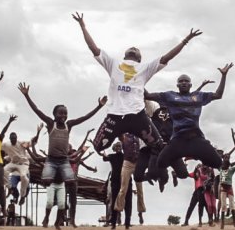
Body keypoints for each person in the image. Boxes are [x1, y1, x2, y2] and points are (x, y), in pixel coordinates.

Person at [72, 12, 201, 154]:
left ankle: (165, 162)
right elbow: (93, 48)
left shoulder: (145, 68)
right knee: (98, 147)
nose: (134, 48)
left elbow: (166, 57)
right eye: (132, 48)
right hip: (115, 116)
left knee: (159, 146)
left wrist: (185, 40)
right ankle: (122, 139)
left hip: (137, 116)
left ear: (139, 59)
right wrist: (83, 26)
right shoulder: (113, 64)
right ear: (124, 55)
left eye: (137, 49)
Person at [18, 82, 106, 228]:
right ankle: (50, 216)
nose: (63, 116)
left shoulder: (69, 125)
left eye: (65, 113)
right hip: (52, 160)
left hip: (64, 160)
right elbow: (36, 110)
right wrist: (27, 95)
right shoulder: (50, 123)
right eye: (60, 113)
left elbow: (85, 117)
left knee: (70, 184)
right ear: (54, 115)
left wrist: (99, 106)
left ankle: (64, 220)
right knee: (46, 180)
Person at [145, 63, 233, 171]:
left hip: (195, 138)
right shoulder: (170, 96)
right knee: (160, 163)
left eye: (186, 81)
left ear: (190, 85)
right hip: (178, 139)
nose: (183, 83)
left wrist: (224, 75)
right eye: (181, 81)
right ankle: (178, 155)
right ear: (177, 85)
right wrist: (138, 80)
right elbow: (147, 96)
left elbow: (218, 95)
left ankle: (198, 155)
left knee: (217, 162)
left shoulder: (198, 96)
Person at [114, 133, 141, 229]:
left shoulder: (138, 136)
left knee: (140, 190)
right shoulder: (124, 137)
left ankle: (140, 211)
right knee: (123, 189)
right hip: (128, 162)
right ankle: (118, 207)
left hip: (136, 162)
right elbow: (119, 134)